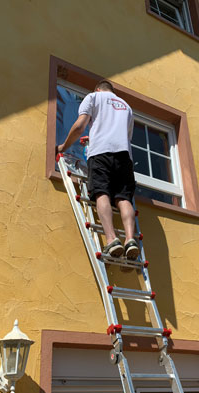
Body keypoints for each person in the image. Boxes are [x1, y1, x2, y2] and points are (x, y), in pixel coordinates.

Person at [57, 80, 139, 260]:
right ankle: (130, 240)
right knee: (124, 198)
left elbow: (79, 126)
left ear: (98, 89)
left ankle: (111, 239)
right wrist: (93, 137)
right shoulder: (126, 107)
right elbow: (122, 136)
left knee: (102, 193)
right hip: (124, 157)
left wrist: (63, 147)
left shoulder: (93, 97)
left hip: (101, 154)